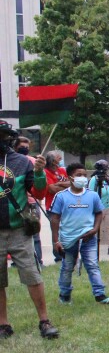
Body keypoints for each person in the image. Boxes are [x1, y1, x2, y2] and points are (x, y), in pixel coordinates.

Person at [0, 120, 58, 339]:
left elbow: (39, 193)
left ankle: (44, 321)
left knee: (32, 276)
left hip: (18, 231)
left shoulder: (22, 162)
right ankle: (3, 324)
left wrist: (40, 173)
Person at [49, 163, 109, 305]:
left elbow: (99, 213)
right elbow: (55, 219)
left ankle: (100, 294)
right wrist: (56, 241)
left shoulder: (92, 195)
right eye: (79, 175)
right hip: (68, 238)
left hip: (88, 237)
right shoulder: (61, 197)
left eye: (84, 175)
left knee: (92, 264)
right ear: (70, 178)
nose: (82, 178)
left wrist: (95, 229)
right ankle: (64, 294)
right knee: (67, 266)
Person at [14, 135, 45, 263]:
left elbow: (39, 183)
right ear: (15, 147)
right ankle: (17, 262)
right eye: (21, 147)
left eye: (26, 147)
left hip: (31, 203)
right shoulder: (9, 162)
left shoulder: (32, 161)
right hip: (16, 203)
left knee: (34, 232)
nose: (24, 149)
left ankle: (38, 261)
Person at [88, 160, 109, 255]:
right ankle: (92, 247)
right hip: (98, 207)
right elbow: (91, 193)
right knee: (94, 227)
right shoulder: (94, 179)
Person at [44, 150, 69, 262]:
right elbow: (51, 189)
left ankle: (68, 253)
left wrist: (59, 184)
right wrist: (65, 187)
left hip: (67, 205)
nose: (60, 159)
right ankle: (58, 255)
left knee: (67, 230)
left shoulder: (63, 170)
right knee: (56, 231)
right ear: (53, 161)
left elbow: (72, 184)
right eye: (58, 157)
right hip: (52, 207)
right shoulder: (46, 172)